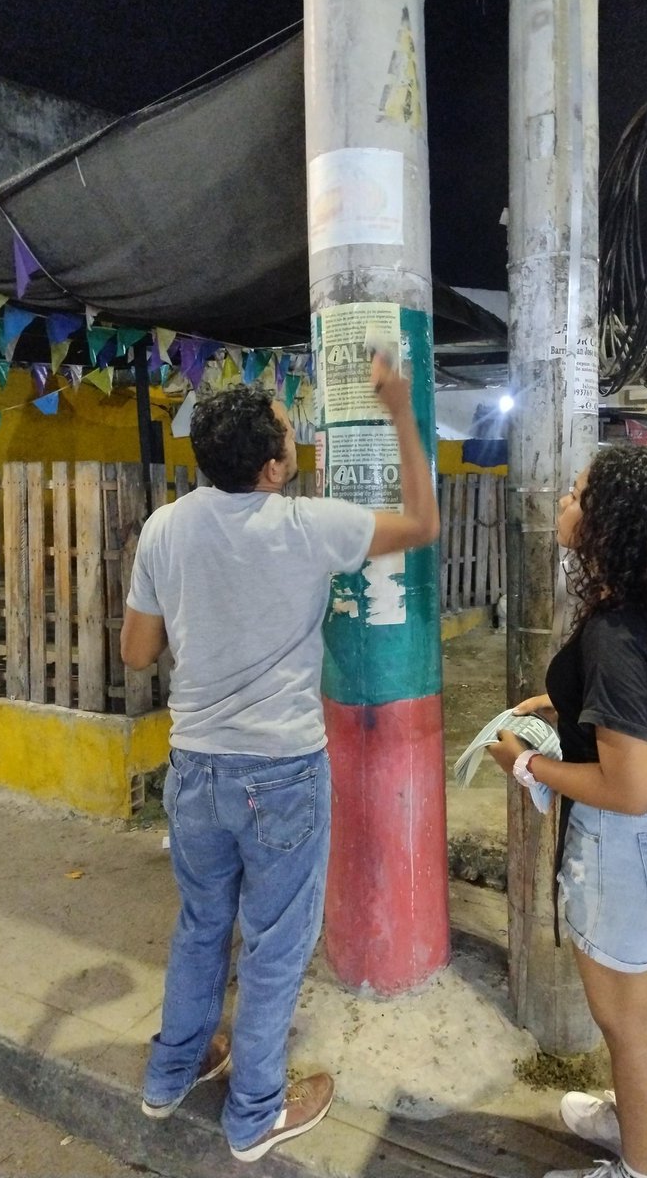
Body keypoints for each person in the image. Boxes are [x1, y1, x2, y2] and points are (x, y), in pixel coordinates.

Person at [120, 353, 439, 1162]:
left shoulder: (165, 528)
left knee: (201, 926)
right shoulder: (307, 525)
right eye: (290, 435)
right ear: (271, 467)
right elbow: (423, 525)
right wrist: (400, 411)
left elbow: (136, 651)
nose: (295, 440)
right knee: (274, 943)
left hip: (193, 766)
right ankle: (255, 1112)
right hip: (282, 773)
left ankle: (172, 1074)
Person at [488, 445, 647, 1178]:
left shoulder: (614, 636)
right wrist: (564, 705)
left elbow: (625, 789)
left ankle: (638, 1168)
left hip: (633, 846)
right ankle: (632, 1122)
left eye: (575, 497)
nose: (563, 506)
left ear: (610, 526)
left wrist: (528, 764)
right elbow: (642, 719)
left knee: (629, 1029)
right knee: (637, 1021)